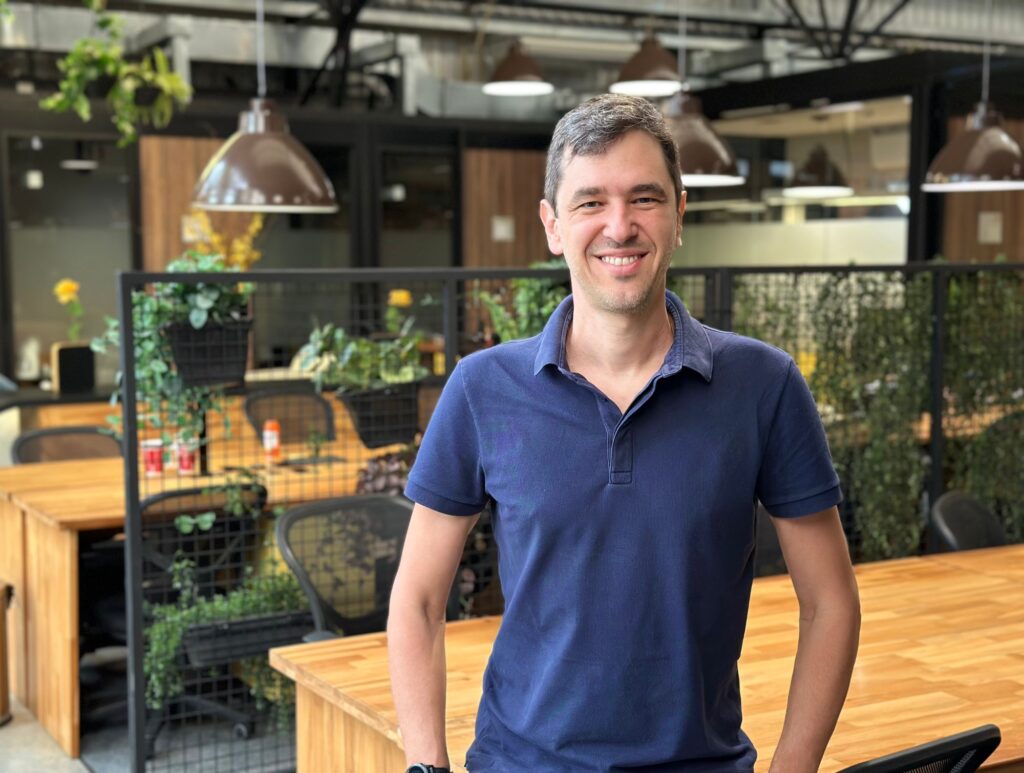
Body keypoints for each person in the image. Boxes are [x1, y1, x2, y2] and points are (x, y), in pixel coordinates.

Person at [388, 93, 861, 773]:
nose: (620, 225)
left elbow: (830, 601)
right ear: (553, 225)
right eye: (590, 202)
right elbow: (418, 600)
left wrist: (795, 765)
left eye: (645, 198)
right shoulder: (480, 388)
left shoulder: (764, 384)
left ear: (679, 215)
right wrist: (427, 766)